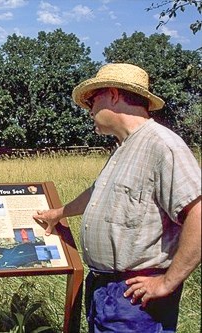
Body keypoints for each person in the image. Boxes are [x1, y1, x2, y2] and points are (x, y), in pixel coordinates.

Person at [33, 63, 201, 332]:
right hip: (105, 289)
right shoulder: (124, 147)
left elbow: (198, 214)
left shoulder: (162, 145)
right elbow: (96, 193)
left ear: (113, 95)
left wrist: (167, 283)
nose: (89, 109)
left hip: (136, 297)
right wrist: (59, 213)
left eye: (92, 99)